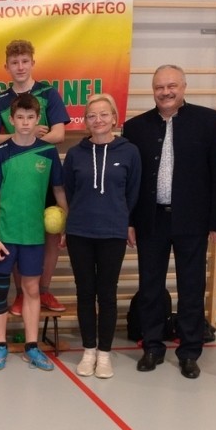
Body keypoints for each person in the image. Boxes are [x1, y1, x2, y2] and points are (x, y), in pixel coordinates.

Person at [122, 65, 216, 379]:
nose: (165, 92)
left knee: (192, 287)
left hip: (193, 220)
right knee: (150, 287)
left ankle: (190, 351)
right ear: (152, 90)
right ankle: (152, 347)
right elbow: (130, 181)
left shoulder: (209, 121)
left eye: (172, 86)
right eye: (159, 87)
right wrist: (129, 220)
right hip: (150, 219)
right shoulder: (135, 127)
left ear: (184, 86)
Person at [0, 39, 70, 316]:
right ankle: (22, 294)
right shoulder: (0, 100)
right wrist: (21, 136)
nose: (20, 67)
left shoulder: (48, 93)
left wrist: (32, 141)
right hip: (14, 172)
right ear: (6, 67)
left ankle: (43, 290)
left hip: (41, 172)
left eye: (24, 61)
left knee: (51, 233)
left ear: (32, 62)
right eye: (14, 62)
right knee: (16, 232)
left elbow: (59, 134)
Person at [0, 93, 67, 372]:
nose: (25, 122)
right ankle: (0, 345)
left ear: (38, 118)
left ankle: (32, 346)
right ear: (11, 119)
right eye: (20, 117)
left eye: (31, 117)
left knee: (31, 289)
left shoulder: (48, 152)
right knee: (0, 289)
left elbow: (58, 190)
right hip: (4, 234)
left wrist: (66, 220)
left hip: (33, 236)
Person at [62, 94, 140, 379]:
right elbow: (69, 191)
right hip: (80, 232)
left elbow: (133, 192)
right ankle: (89, 351)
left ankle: (104, 354)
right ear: (86, 121)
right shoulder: (75, 154)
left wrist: (127, 222)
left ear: (114, 118)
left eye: (104, 114)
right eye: (92, 115)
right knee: (85, 292)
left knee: (107, 294)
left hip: (112, 233)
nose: (98, 120)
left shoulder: (129, 152)